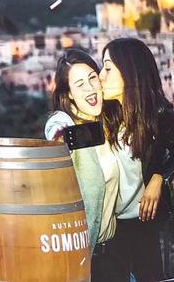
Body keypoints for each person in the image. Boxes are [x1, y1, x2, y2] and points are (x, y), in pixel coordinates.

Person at [97, 37, 174, 281]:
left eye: (108, 68)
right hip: (112, 227)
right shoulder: (103, 116)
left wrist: (158, 178)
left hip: (148, 224)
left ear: (129, 71)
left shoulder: (160, 114)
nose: (100, 76)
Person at [44, 50, 118, 260]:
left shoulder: (109, 121)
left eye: (92, 78)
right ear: (68, 94)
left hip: (114, 252)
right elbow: (57, 132)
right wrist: (62, 139)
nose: (90, 89)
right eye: (79, 84)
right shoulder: (66, 122)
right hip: (82, 255)